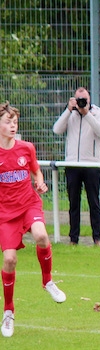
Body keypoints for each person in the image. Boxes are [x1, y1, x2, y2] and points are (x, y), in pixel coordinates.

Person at [0, 102, 67, 337]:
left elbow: (35, 170)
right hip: (5, 214)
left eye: (14, 122)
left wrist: (39, 181)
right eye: (7, 121)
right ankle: (9, 311)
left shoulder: (26, 148)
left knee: (41, 236)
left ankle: (47, 281)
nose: (12, 125)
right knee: (9, 260)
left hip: (28, 203)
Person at [52, 86, 100, 246]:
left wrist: (86, 113)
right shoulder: (70, 114)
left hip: (91, 165)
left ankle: (97, 238)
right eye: (78, 100)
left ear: (90, 100)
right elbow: (57, 129)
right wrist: (68, 110)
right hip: (72, 164)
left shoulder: (98, 113)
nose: (82, 103)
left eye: (84, 100)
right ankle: (73, 239)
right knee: (73, 203)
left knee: (94, 202)